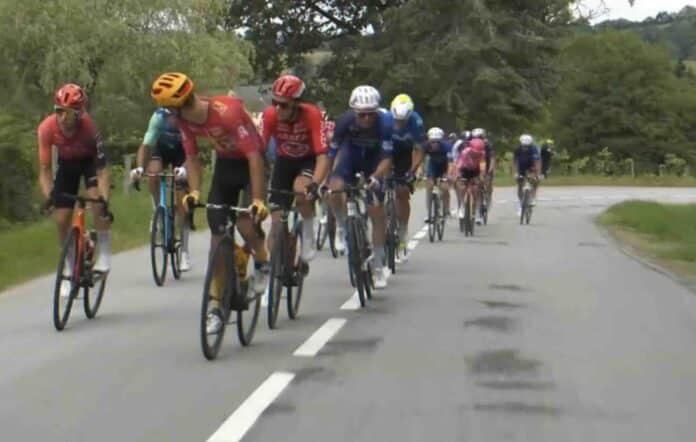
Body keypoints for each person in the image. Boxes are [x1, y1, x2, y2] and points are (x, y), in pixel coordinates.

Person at [150, 72, 269, 334]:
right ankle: (216, 306)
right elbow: (192, 159)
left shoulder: (227, 112)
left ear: (180, 105)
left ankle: (262, 262)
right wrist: (193, 191)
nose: (165, 116)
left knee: (246, 223)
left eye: (167, 109)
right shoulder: (184, 122)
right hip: (226, 166)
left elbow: (254, 157)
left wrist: (258, 199)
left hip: (252, 163)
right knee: (217, 239)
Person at [38, 84, 112, 294]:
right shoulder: (46, 128)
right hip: (67, 164)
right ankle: (69, 269)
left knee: (96, 200)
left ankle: (105, 252)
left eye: (69, 114)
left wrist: (104, 200)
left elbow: (102, 171)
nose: (63, 118)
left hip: (89, 163)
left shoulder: (90, 129)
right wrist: (50, 197)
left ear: (79, 114)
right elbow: (44, 170)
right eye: (59, 111)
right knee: (61, 218)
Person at [328, 85, 393, 289]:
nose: (366, 118)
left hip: (375, 162)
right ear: (355, 112)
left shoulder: (385, 124)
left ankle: (379, 264)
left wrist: (375, 177)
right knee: (335, 188)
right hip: (351, 157)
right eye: (362, 114)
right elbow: (331, 154)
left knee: (376, 212)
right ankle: (341, 225)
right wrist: (326, 180)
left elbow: (387, 159)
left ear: (376, 112)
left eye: (370, 114)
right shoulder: (345, 122)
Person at [260, 74, 330, 262]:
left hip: (308, 160)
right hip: (284, 161)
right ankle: (273, 274)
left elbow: (323, 155)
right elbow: (259, 150)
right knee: (275, 221)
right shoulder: (269, 115)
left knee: (301, 192)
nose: (277, 108)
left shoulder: (312, 115)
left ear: (297, 104)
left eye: (283, 105)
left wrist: (315, 183)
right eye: (274, 102)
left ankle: (308, 230)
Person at [130, 107, 192, 271]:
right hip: (161, 151)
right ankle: (157, 210)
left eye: (175, 115)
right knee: (153, 174)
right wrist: (139, 168)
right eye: (170, 115)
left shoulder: (187, 117)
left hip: (182, 153)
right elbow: (145, 145)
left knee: (182, 202)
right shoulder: (158, 117)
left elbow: (193, 154)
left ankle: (184, 251)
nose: (172, 119)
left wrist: (185, 169)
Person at [384, 93, 426, 262]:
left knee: (402, 190)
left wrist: (412, 170)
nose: (399, 123)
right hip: (387, 152)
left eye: (402, 121)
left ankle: (402, 231)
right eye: (397, 120)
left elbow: (419, 150)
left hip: (405, 154)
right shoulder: (385, 119)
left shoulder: (416, 122)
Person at [423, 127, 453, 222]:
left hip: (444, 167)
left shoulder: (447, 146)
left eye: (437, 142)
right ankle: (429, 213)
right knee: (429, 186)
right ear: (429, 141)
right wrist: (420, 172)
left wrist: (448, 174)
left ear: (441, 141)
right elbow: (420, 160)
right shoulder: (426, 146)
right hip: (432, 166)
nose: (434, 144)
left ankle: (446, 209)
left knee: (444, 187)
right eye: (432, 142)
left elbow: (451, 163)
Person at [454, 138, 486, 219]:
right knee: (462, 186)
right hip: (465, 169)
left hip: (475, 170)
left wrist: (482, 175)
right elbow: (459, 165)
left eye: (478, 153)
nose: (476, 154)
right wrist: (457, 175)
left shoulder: (482, 154)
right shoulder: (465, 152)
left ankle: (476, 211)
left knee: (476, 189)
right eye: (475, 152)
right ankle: (461, 206)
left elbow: (482, 165)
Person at [513, 134, 541, 215]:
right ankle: (521, 204)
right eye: (524, 146)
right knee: (520, 184)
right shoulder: (517, 149)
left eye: (527, 146)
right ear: (521, 144)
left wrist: (537, 174)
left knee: (535, 180)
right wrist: (516, 173)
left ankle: (533, 197)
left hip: (531, 165)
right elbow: (514, 162)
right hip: (521, 166)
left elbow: (537, 162)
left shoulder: (533, 149)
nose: (525, 147)